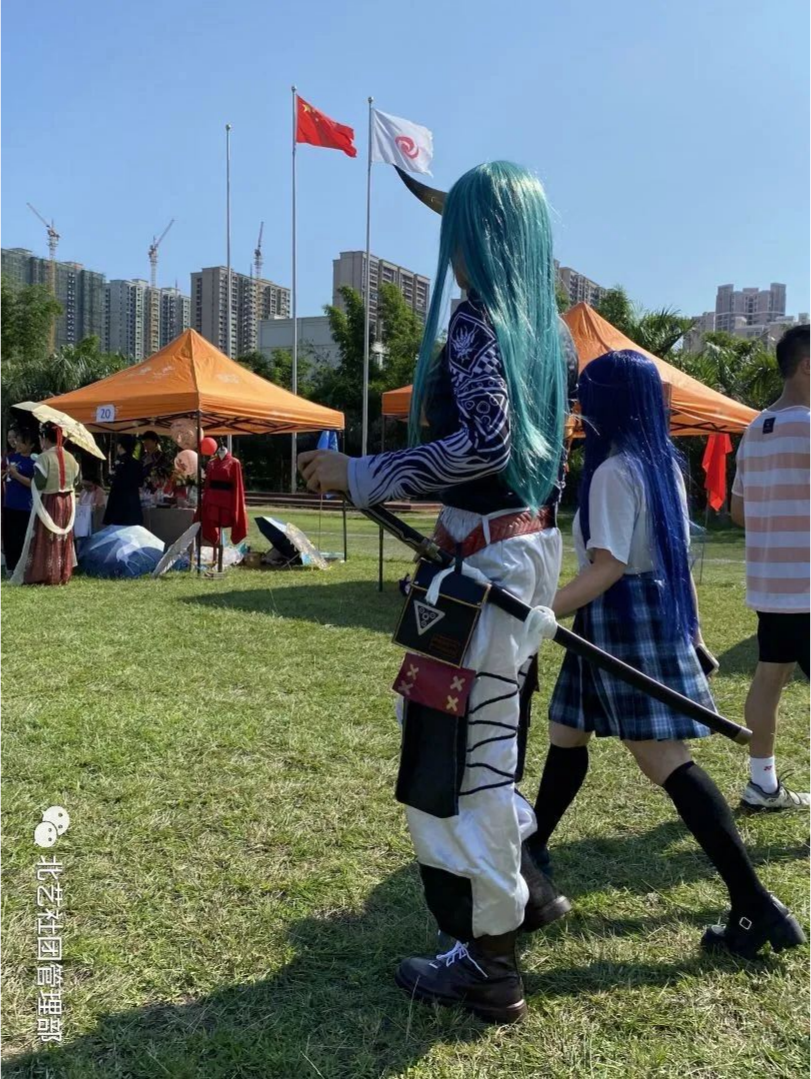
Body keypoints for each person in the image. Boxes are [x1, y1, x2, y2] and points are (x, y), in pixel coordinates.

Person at [298, 162, 571, 1024]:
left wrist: (363, 472)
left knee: (463, 759)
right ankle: (528, 890)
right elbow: (532, 462)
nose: (450, 254)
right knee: (486, 740)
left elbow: (486, 443)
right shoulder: (549, 333)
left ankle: (490, 961)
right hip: (511, 555)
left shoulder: (480, 320)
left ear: (481, 239)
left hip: (487, 569)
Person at [527, 350, 804, 960]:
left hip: (621, 615)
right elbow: (676, 562)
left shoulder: (613, 471)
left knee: (665, 760)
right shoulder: (662, 466)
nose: (580, 409)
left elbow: (607, 569)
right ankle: (533, 845)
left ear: (605, 403)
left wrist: (537, 610)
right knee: (567, 731)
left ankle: (756, 905)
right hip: (645, 611)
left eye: (584, 398)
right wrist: (694, 632)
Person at [730, 326, 811, 810]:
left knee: (769, 677)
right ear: (808, 365)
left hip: (770, 585)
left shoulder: (754, 429)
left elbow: (739, 512)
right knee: (771, 677)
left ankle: (762, 784)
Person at [11, 422, 80, 586]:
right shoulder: (71, 458)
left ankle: (44, 573)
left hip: (50, 501)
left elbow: (40, 483)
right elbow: (76, 480)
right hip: (67, 502)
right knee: (61, 538)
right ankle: (61, 572)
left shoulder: (44, 457)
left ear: (44, 438)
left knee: (45, 538)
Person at [3, 424, 37, 576]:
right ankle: (10, 567)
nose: (18, 444)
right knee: (9, 537)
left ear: (31, 445)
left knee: (22, 538)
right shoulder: (12, 457)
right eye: (18, 440)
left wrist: (16, 475)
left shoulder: (34, 461)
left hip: (25, 506)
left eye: (22, 442)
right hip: (9, 503)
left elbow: (33, 484)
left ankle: (22, 567)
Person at [104, 435, 143, 527]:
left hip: (117, 500)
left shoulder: (118, 463)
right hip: (133, 500)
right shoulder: (137, 463)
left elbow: (110, 479)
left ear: (120, 446)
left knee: (117, 527)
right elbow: (140, 481)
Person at [75, 468, 107, 552]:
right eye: (84, 486)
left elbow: (98, 505)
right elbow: (80, 503)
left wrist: (91, 508)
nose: (87, 488)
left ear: (95, 484)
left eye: (89, 486)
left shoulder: (99, 492)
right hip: (84, 518)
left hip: (95, 517)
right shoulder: (83, 492)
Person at [141, 430, 171, 496]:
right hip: (143, 490)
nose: (145, 443)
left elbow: (167, 474)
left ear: (154, 441)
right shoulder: (144, 457)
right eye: (144, 441)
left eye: (147, 440)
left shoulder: (162, 457)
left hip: (158, 491)